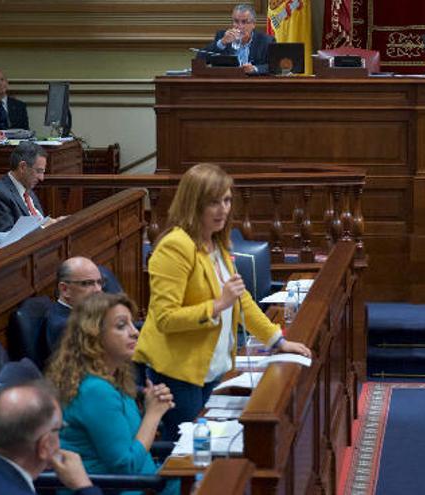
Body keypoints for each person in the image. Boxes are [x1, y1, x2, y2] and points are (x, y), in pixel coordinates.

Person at [133, 162, 312, 440]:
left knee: (208, 449)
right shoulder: (175, 246)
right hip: (179, 372)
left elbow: (241, 302)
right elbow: (165, 318)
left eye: (227, 200)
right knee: (186, 452)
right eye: (213, 202)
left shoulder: (216, 243)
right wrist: (217, 304)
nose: (223, 210)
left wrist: (278, 341)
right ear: (193, 204)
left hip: (211, 365)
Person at [46, 292, 179, 495]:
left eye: (132, 324)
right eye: (121, 326)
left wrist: (150, 402)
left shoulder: (114, 377)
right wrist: (153, 414)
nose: (135, 332)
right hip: (122, 489)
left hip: (146, 481)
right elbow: (126, 466)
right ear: (94, 335)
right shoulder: (95, 391)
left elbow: (128, 439)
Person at [0, 142, 47, 239]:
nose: (42, 178)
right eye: (38, 171)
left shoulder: (27, 188)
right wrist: (44, 227)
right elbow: (5, 239)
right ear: (22, 167)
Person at [45, 256, 105, 355]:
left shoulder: (82, 310)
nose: (98, 289)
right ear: (65, 290)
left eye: (99, 282)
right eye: (87, 283)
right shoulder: (66, 327)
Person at [201, 4, 274, 74]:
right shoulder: (222, 36)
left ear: (253, 24)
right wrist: (221, 43)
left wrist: (254, 69)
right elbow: (200, 59)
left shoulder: (266, 41)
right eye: (236, 21)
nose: (239, 26)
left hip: (254, 84)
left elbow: (274, 66)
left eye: (244, 22)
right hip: (227, 83)